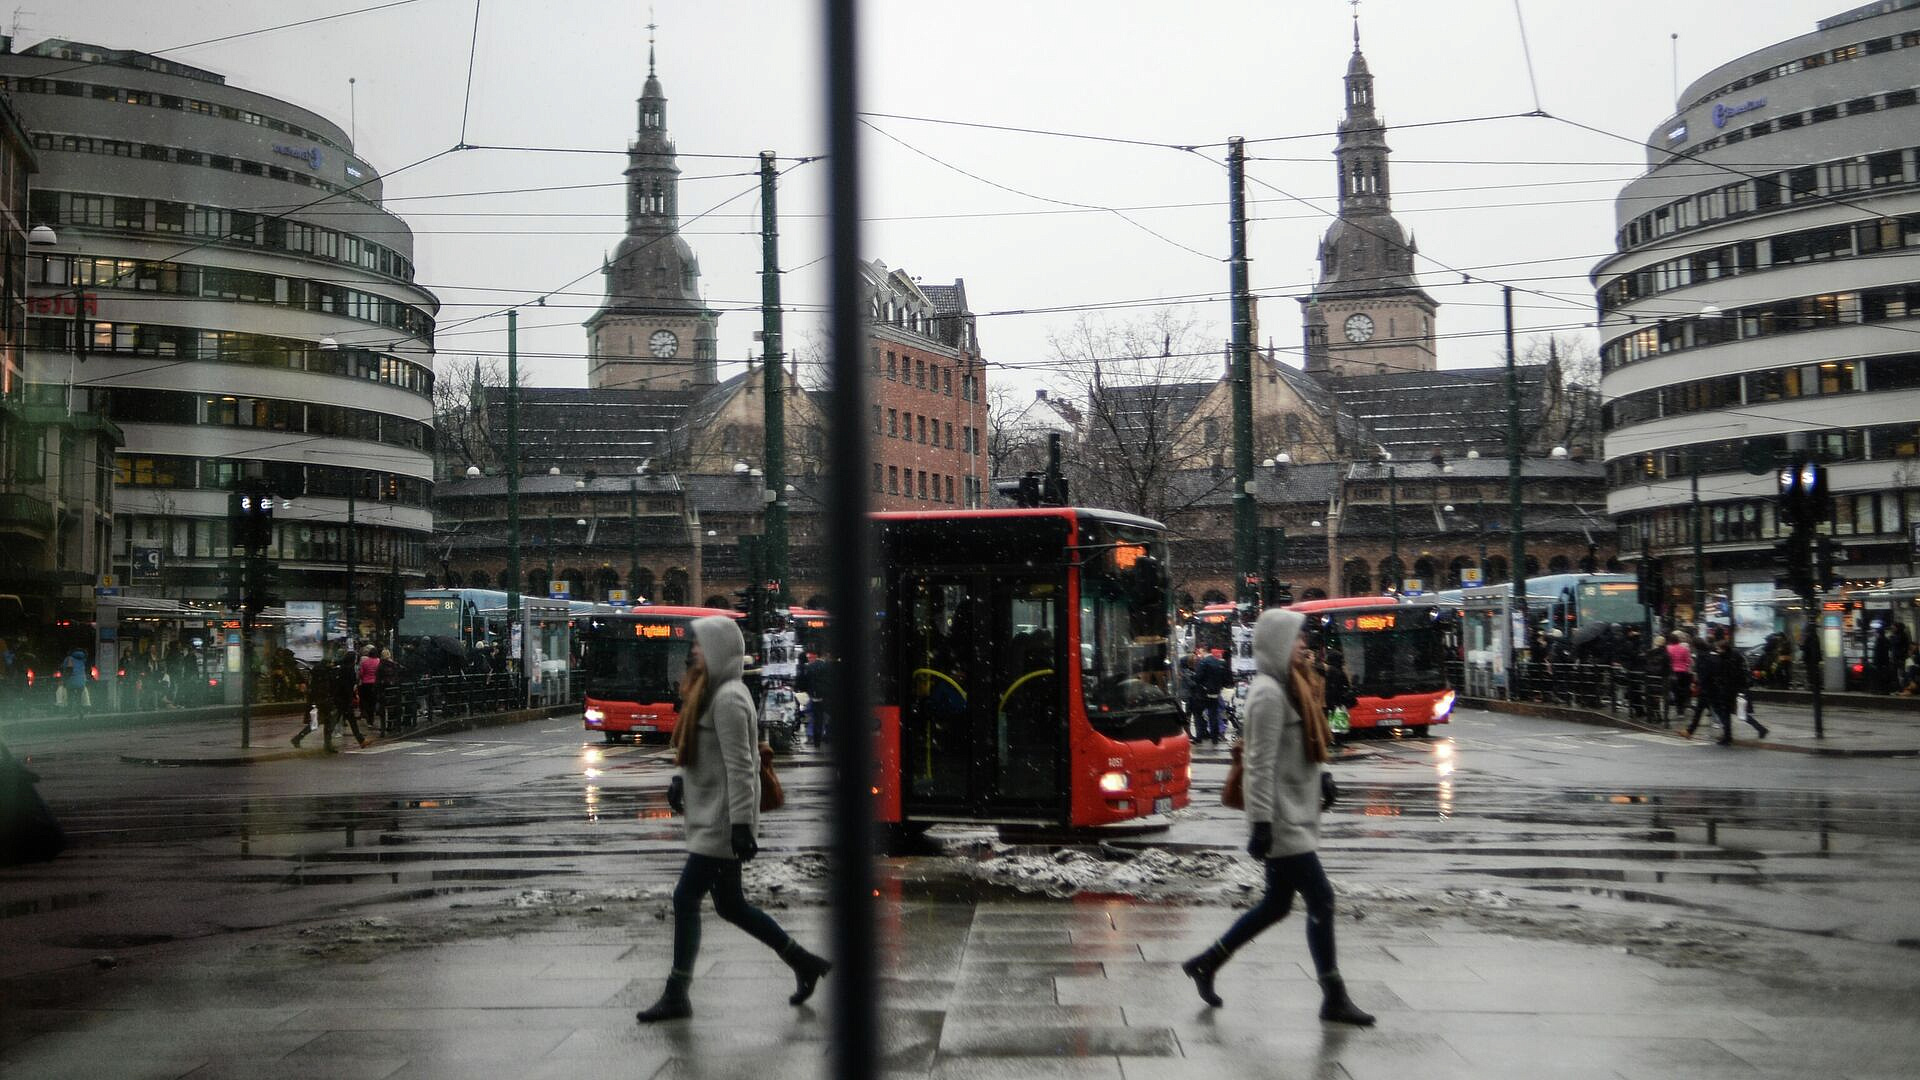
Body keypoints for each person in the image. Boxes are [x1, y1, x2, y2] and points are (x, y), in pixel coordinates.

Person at [1180, 608, 1374, 1026]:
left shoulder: (1294, 686)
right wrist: (1261, 824)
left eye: (1303, 638)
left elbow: (1306, 740)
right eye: (1297, 638)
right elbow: (1260, 763)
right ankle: (1333, 995)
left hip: (1297, 810)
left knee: (1276, 905)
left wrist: (1324, 775)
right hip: (1283, 819)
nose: (1303, 644)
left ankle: (1207, 962)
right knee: (1320, 897)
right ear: (1276, 644)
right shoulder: (1267, 694)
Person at [635, 616, 831, 1023]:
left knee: (686, 898)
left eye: (701, 645)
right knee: (731, 906)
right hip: (713, 815)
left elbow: (742, 766)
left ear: (721, 650)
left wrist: (742, 824)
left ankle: (677, 992)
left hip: (722, 821)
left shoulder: (728, 698)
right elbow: (704, 755)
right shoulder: (709, 693)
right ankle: (803, 962)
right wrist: (680, 781)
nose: (694, 651)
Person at [1692, 636, 1766, 744]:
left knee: (1730, 712)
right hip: (1733, 690)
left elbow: (1726, 675)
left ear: (1724, 649)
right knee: (1735, 712)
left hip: (1729, 691)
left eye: (1719, 649)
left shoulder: (1726, 659)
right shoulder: (1732, 656)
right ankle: (1759, 729)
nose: (1717, 650)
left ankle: (1728, 736)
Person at [794, 646, 836, 747]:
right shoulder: (828, 666)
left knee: (816, 717)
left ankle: (816, 739)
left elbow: (803, 681)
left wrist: (802, 690)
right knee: (825, 716)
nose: (809, 659)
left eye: (810, 657)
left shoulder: (808, 667)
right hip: (827, 695)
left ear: (815, 656)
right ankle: (828, 736)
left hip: (815, 695)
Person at [1322, 649, 1357, 737]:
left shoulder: (1332, 670)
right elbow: (1336, 687)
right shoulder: (1336, 671)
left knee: (1335, 721)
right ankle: (1337, 739)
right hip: (1337, 701)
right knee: (1337, 722)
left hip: (1335, 701)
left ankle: (1336, 738)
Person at [1665, 632, 1694, 715]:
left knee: (1674, 691)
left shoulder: (1667, 648)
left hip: (1672, 672)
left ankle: (1677, 708)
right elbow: (1688, 661)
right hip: (1683, 672)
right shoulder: (1684, 649)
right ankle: (1681, 709)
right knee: (1682, 690)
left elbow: (1667, 661)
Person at [357, 645, 382, 729]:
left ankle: (369, 719)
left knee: (366, 700)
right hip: (375, 684)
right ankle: (373, 715)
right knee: (373, 701)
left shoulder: (364, 662)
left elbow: (361, 674)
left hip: (366, 683)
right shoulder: (379, 661)